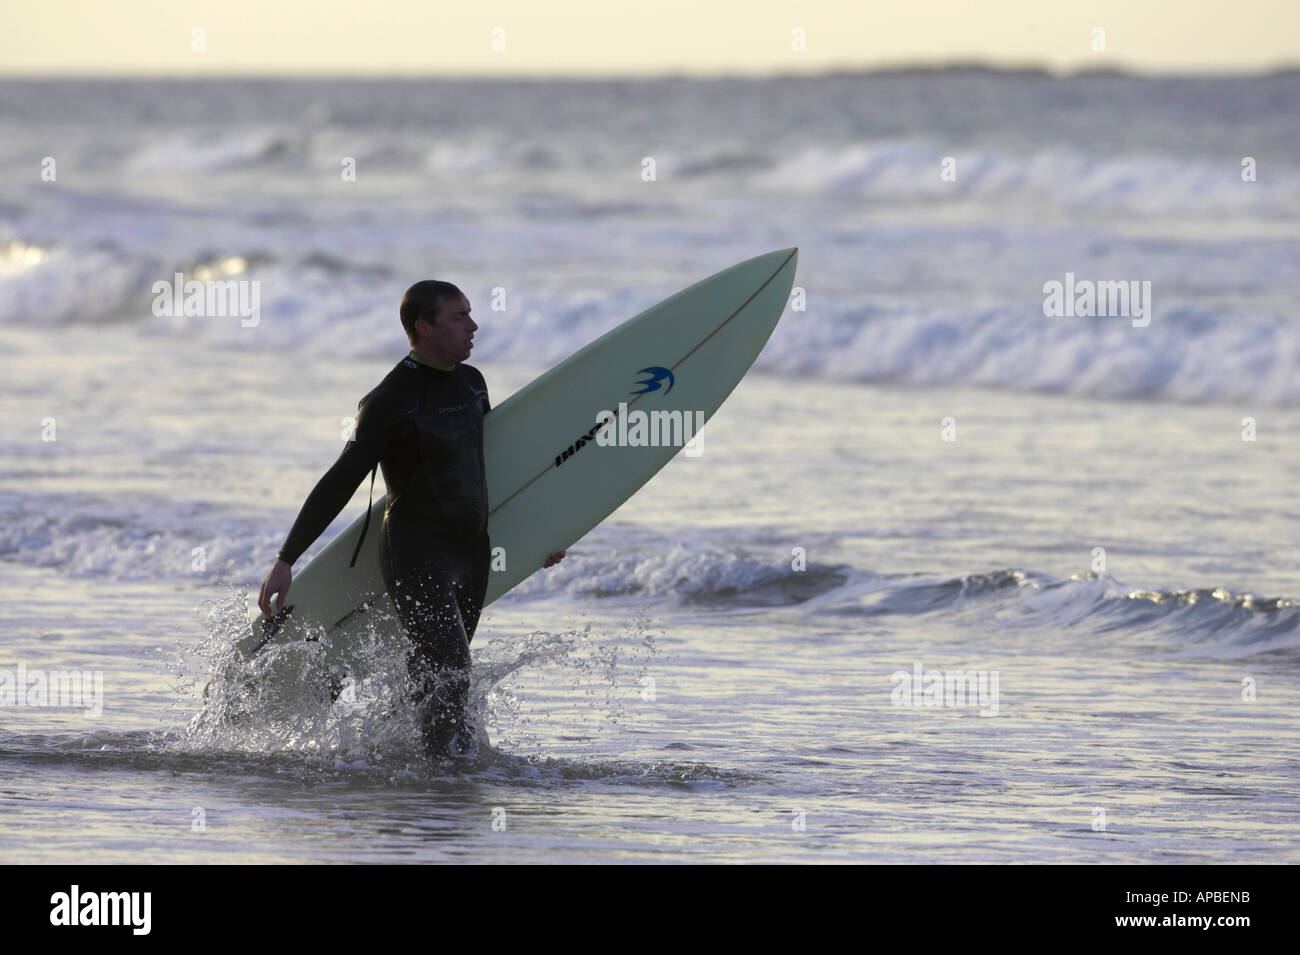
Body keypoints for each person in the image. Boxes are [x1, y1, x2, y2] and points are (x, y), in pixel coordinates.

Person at [258, 280, 564, 759]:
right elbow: (340, 482)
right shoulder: (390, 400)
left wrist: (537, 534)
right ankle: (445, 783)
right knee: (453, 671)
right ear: (423, 327)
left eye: (470, 314)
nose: (474, 326)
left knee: (435, 672)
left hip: (473, 550)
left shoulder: (472, 383)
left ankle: (409, 767)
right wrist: (285, 558)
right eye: (459, 317)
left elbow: (490, 469)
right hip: (417, 554)